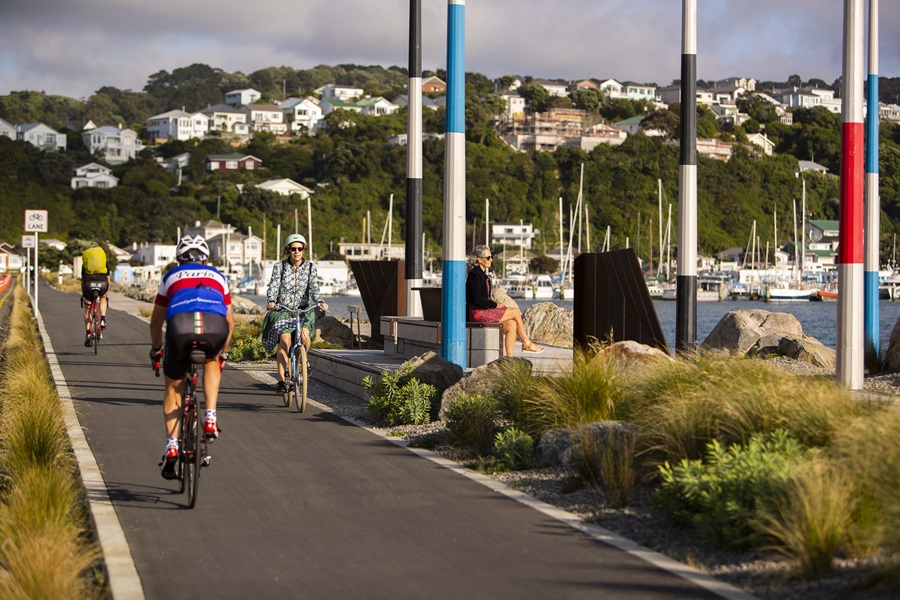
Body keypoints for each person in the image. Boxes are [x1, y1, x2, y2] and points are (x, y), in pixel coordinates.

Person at [149, 235, 234, 480]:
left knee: (174, 388)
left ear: (179, 259)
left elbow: (156, 323)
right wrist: (222, 353)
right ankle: (210, 417)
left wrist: (156, 350)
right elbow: (230, 323)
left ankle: (172, 446)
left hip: (180, 327)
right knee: (211, 361)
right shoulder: (218, 276)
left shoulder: (170, 277)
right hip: (214, 327)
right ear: (206, 259)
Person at [263, 234, 329, 394]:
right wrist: (271, 300)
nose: (297, 252)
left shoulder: (311, 267)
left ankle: (303, 361)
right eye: (293, 249)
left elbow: (314, 287)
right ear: (288, 250)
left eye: (300, 248)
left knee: (305, 337)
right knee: (284, 341)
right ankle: (280, 381)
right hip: (283, 310)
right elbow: (273, 285)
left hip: (303, 310)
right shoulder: (280, 267)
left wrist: (320, 301)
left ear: (304, 250)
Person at [466, 244, 544, 356]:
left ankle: (509, 358)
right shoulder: (475, 275)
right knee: (515, 312)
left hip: (483, 311)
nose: (491, 260)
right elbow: (477, 299)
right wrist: (495, 305)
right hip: (477, 313)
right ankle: (527, 343)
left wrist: (494, 305)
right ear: (479, 259)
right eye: (488, 258)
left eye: (491, 257)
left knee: (512, 324)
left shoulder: (481, 275)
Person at [81, 245, 111, 347]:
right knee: (103, 297)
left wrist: (84, 292)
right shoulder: (104, 262)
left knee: (87, 310)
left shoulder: (86, 262)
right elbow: (108, 280)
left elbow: (83, 278)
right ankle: (102, 318)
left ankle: (88, 334)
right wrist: (106, 290)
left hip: (88, 284)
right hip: (102, 283)